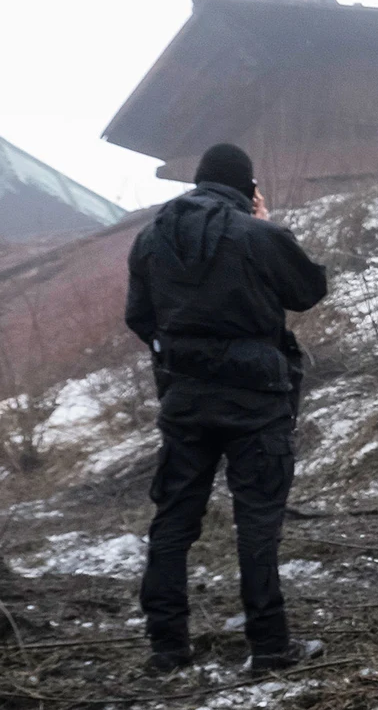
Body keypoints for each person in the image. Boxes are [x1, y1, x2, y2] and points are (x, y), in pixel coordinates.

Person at [124, 142, 328, 674]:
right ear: (247, 188)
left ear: (198, 182)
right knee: (257, 522)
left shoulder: (150, 239)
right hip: (256, 397)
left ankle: (166, 648)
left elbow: (139, 318)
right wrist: (268, 222)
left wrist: (183, 353)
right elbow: (307, 290)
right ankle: (269, 648)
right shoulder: (256, 234)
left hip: (185, 397)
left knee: (173, 521)